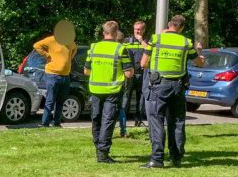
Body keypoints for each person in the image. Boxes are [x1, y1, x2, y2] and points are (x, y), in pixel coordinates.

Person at [141, 15, 204, 168]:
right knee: (177, 122)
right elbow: (199, 63)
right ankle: (176, 157)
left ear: (169, 24)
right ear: (181, 28)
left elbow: (143, 63)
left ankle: (157, 159)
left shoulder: (155, 39)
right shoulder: (186, 42)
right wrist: (200, 53)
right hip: (177, 86)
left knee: (156, 121)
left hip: (158, 85)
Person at [84, 20, 134, 163]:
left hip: (95, 89)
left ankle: (98, 149)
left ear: (103, 32)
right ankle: (103, 154)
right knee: (108, 121)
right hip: (113, 90)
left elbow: (86, 71)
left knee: (96, 119)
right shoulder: (120, 49)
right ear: (116, 32)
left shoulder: (93, 48)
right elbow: (128, 74)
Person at [32, 21, 78, 128]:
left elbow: (75, 49)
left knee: (61, 101)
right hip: (52, 74)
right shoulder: (51, 40)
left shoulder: (70, 42)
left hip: (65, 76)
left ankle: (57, 123)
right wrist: (47, 55)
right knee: (50, 100)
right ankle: (45, 123)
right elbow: (36, 46)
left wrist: (69, 58)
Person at [119, 19, 150, 136]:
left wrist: (141, 40)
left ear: (143, 30)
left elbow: (149, 51)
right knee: (126, 98)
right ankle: (123, 122)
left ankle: (138, 120)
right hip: (129, 74)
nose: (137, 31)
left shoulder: (146, 41)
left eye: (139, 29)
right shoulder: (126, 41)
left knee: (141, 99)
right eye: (135, 29)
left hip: (142, 74)